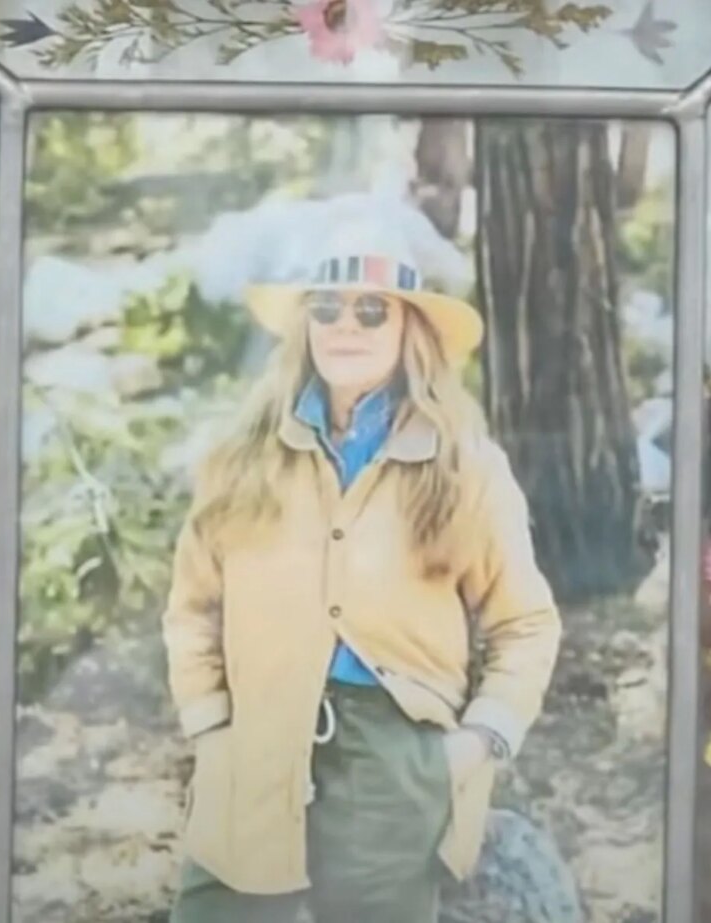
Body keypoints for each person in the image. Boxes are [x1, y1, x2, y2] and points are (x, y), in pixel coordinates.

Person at [162, 223, 563, 922]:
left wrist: (474, 743)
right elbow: (194, 606)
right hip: (253, 744)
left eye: (371, 309)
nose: (346, 325)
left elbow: (524, 621)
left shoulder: (464, 465)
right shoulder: (242, 457)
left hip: (392, 759)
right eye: (326, 307)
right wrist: (211, 727)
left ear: (411, 327)